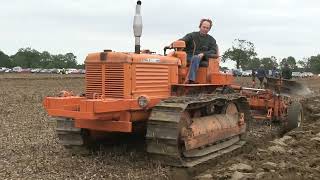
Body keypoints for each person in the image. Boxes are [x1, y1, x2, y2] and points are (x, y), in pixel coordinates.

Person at [179, 18, 218, 84]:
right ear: (200, 26)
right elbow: (182, 41)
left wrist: (204, 54)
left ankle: (191, 80)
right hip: (188, 56)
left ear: (209, 29)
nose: (205, 29)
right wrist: (173, 44)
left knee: (196, 57)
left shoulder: (211, 40)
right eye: (204, 27)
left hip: (202, 58)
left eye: (207, 28)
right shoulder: (191, 35)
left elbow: (214, 51)